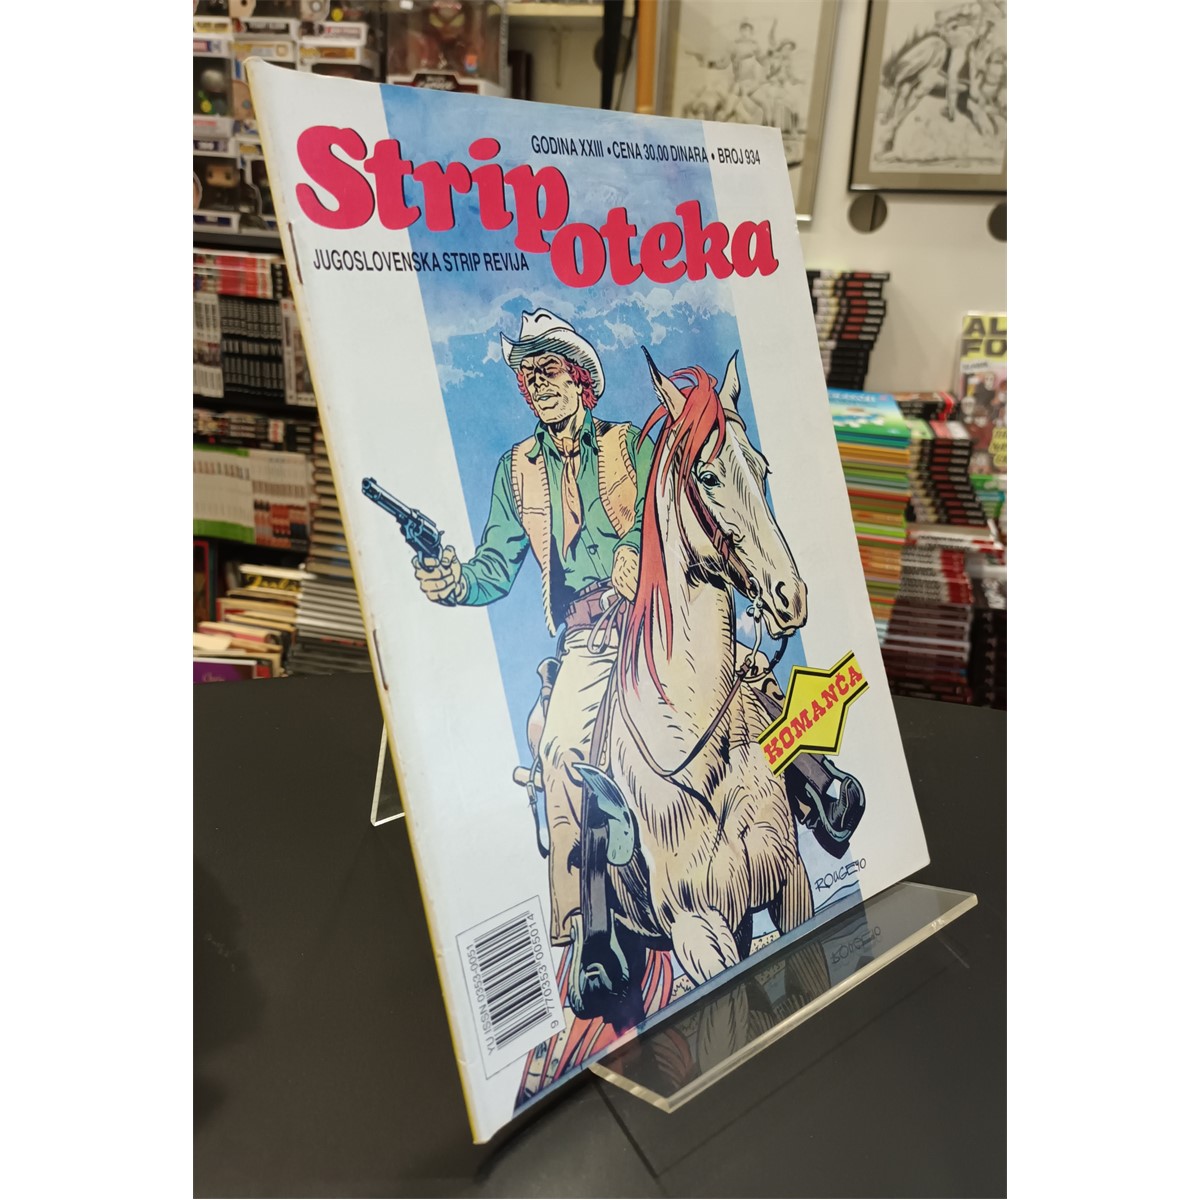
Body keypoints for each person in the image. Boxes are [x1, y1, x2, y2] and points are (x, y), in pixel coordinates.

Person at [412, 309, 654, 946]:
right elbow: (495, 566)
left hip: (652, 616)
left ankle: (817, 792)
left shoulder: (628, 444)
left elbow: (663, 509)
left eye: (549, 370)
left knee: (747, 684)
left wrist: (635, 548)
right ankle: (581, 922)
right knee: (559, 751)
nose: (539, 383)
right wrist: (454, 582)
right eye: (529, 376)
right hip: (588, 641)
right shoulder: (515, 469)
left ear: (581, 379)